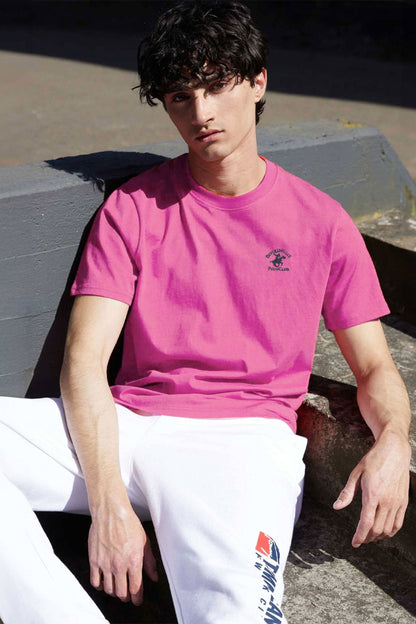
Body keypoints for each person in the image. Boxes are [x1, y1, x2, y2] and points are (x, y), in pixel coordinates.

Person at [0, 1, 412, 623]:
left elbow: (375, 366)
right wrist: (109, 506)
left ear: (258, 81)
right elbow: (84, 362)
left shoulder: (321, 222)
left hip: (240, 445)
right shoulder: (133, 208)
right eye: (180, 97)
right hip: (125, 425)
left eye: (217, 86)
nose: (201, 113)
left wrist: (395, 441)